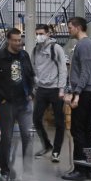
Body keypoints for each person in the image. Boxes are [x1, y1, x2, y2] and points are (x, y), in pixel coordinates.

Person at [0, 27, 34, 181]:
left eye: (20, 40)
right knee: (6, 138)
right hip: (7, 104)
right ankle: (5, 171)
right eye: (15, 41)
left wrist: (31, 92)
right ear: (8, 40)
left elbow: (30, 75)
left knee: (27, 136)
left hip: (24, 103)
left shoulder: (24, 55)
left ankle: (28, 172)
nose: (19, 43)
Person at [60, 16, 91, 181]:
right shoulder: (87, 44)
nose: (68, 30)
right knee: (87, 132)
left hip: (84, 92)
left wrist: (76, 93)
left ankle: (80, 169)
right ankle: (89, 169)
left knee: (78, 131)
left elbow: (85, 71)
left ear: (77, 27)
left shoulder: (84, 45)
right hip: (87, 91)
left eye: (70, 27)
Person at [31, 24, 68, 164]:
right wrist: (35, 83)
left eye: (41, 33)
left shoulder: (56, 48)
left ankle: (56, 151)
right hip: (41, 89)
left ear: (48, 34)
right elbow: (33, 68)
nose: (39, 36)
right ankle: (47, 145)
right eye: (37, 34)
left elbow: (63, 69)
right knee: (36, 119)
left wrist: (62, 89)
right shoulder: (35, 50)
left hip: (55, 89)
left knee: (59, 122)